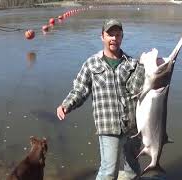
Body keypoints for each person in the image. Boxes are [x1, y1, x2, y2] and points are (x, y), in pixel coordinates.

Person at [56, 19, 145, 180]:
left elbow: (139, 89)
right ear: (102, 37)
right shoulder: (91, 64)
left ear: (122, 37)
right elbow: (80, 89)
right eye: (110, 34)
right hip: (108, 126)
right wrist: (66, 105)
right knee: (108, 171)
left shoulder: (133, 64)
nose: (114, 38)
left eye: (118, 35)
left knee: (133, 169)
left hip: (132, 127)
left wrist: (153, 65)